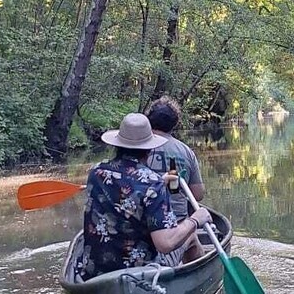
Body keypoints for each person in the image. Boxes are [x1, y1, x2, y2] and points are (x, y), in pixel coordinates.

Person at [79, 111, 212, 281]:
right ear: (149, 149)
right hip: (142, 272)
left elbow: (126, 183)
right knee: (191, 234)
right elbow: (165, 244)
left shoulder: (96, 172)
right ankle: (198, 285)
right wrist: (195, 220)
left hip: (96, 270)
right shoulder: (152, 184)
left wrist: (157, 183)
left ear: (117, 145)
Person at [144, 96, 206, 220]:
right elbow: (198, 195)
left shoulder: (138, 148)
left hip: (146, 220)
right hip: (179, 220)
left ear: (149, 120)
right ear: (175, 123)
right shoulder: (186, 151)